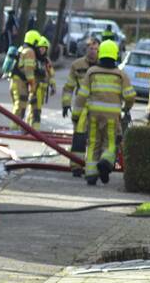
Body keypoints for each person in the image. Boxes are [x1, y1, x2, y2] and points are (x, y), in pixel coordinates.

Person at [74, 40, 136, 185]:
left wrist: (76, 115)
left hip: (94, 114)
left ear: (100, 53)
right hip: (112, 116)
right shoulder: (120, 75)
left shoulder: (91, 72)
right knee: (110, 143)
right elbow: (130, 95)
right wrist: (127, 107)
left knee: (94, 143)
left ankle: (90, 174)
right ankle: (105, 162)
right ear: (115, 54)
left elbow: (81, 95)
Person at [62, 37, 100, 174]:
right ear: (86, 49)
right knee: (79, 138)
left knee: (95, 139)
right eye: (91, 48)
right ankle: (76, 166)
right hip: (82, 107)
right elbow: (69, 87)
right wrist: (66, 103)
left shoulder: (103, 65)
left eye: (96, 49)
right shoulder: (77, 65)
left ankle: (91, 166)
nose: (93, 52)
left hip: (98, 108)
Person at [10, 30, 40, 125]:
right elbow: (29, 72)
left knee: (17, 105)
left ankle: (15, 127)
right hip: (20, 83)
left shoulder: (21, 48)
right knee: (20, 106)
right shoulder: (30, 52)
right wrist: (33, 85)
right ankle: (14, 128)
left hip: (14, 81)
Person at [30, 36, 54, 129]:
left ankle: (32, 129)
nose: (42, 50)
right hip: (35, 88)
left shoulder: (46, 60)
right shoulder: (34, 59)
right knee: (35, 110)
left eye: (44, 48)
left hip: (43, 89)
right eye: (40, 48)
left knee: (37, 110)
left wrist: (53, 86)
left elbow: (51, 73)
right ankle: (33, 129)